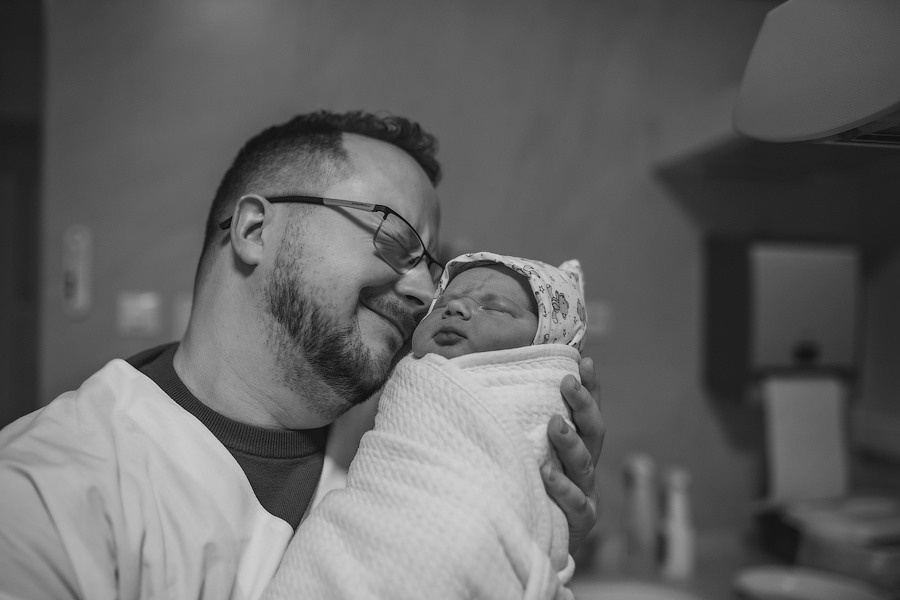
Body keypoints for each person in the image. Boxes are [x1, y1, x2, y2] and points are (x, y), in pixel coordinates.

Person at [0, 112, 604, 599]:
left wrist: (528, 533)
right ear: (254, 230)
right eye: (393, 237)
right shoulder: (46, 501)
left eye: (432, 266)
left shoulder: (421, 453)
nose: (427, 292)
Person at [263, 252, 588, 600]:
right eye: (442, 303)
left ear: (544, 347)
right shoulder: (411, 381)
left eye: (495, 308)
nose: (456, 308)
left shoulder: (534, 389)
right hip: (360, 530)